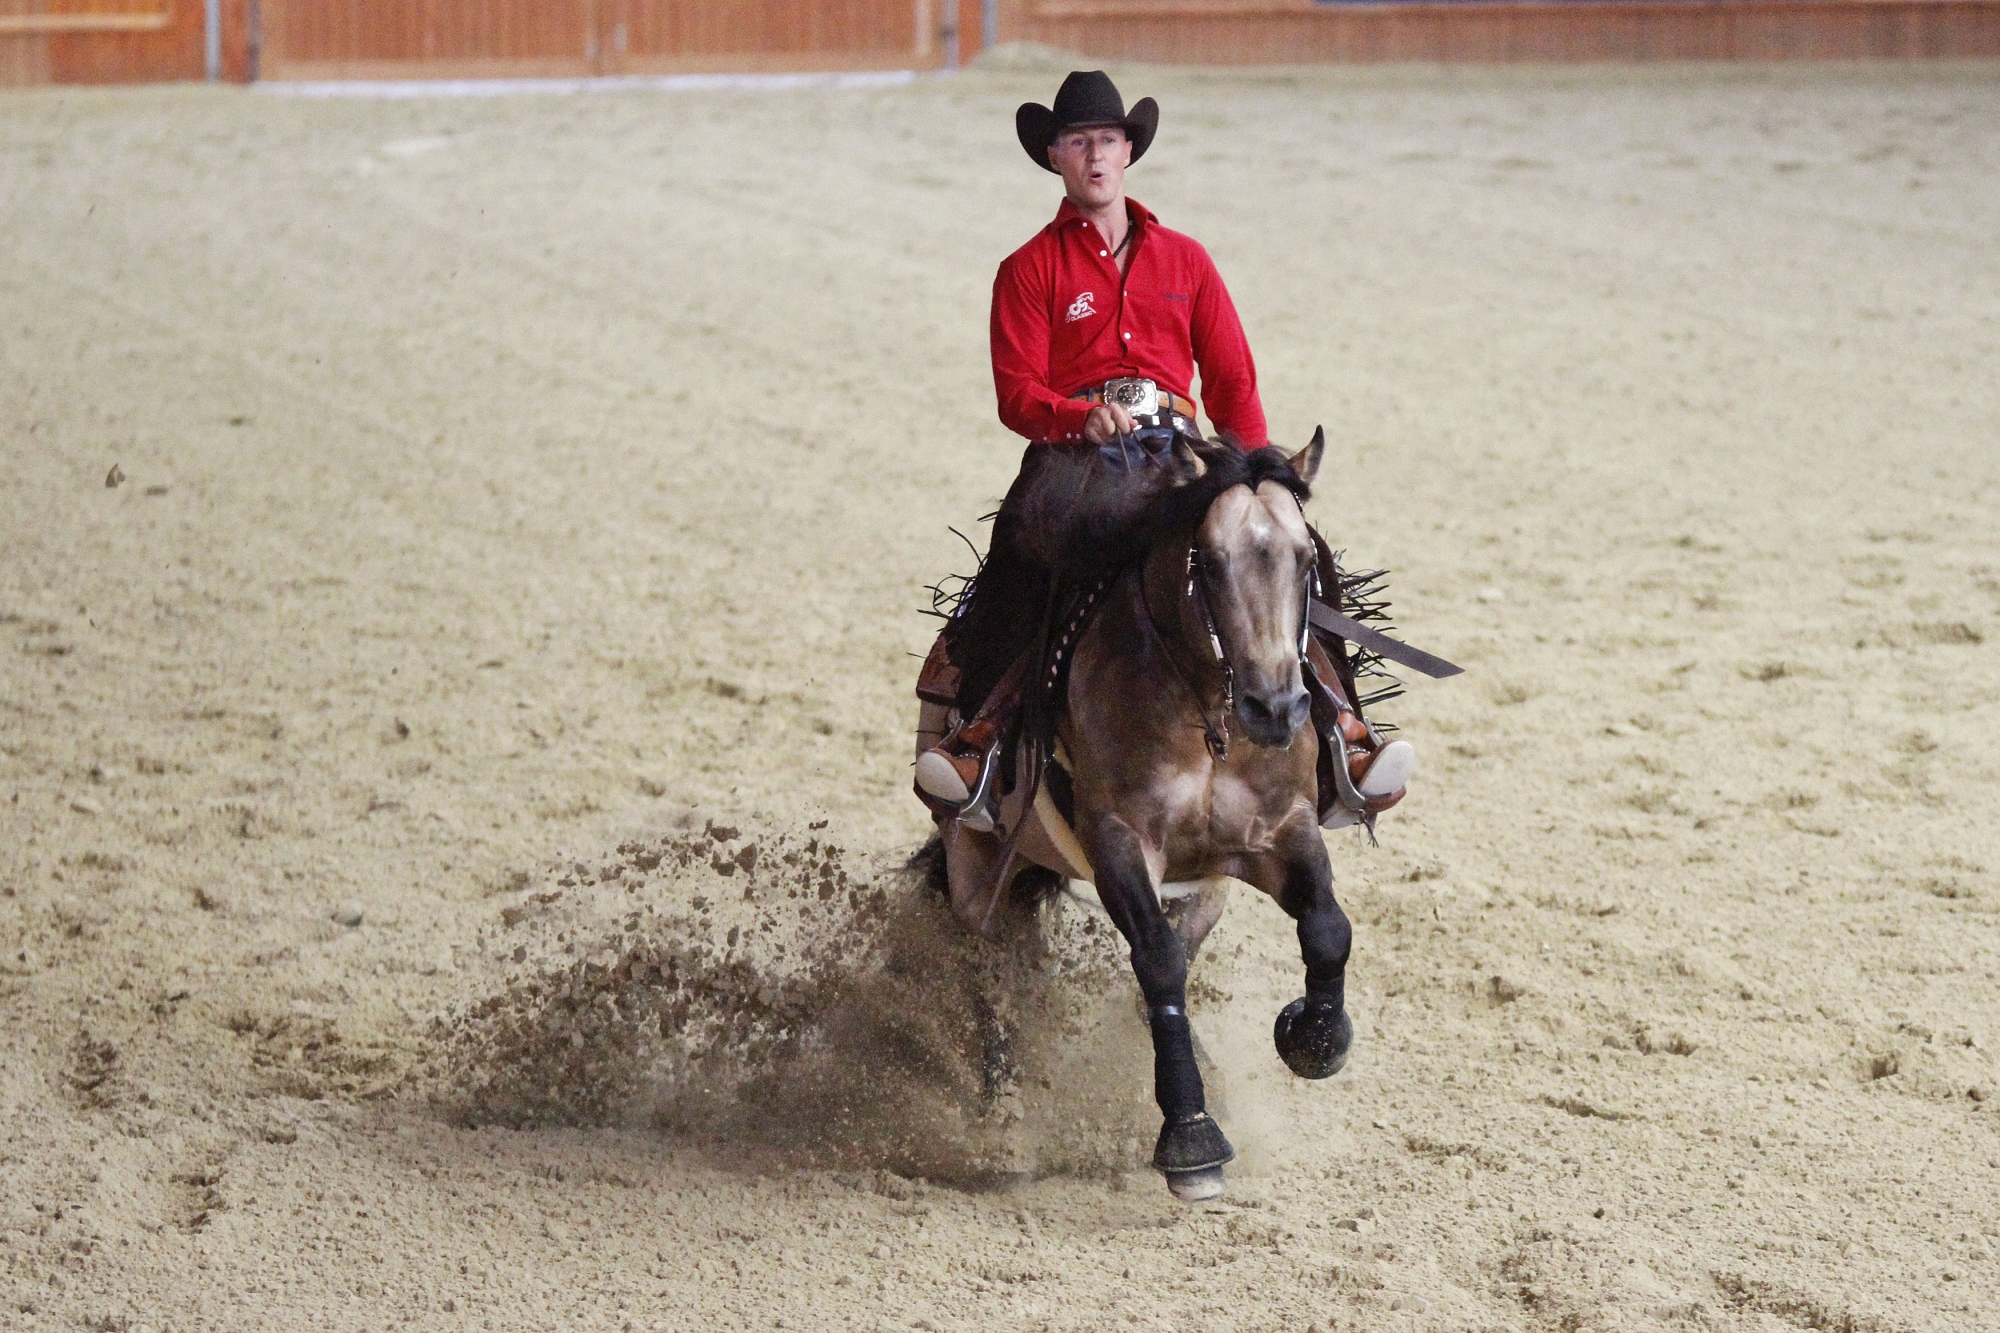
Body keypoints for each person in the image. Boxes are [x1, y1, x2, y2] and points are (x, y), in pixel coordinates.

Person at [914, 70, 1411, 830]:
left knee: (1290, 548)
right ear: (1054, 156)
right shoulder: (1027, 270)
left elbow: (1233, 381)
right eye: (1078, 143)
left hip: (1181, 451)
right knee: (1024, 545)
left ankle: (1347, 735)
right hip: (1073, 458)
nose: (1096, 156)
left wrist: (1252, 478)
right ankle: (980, 736)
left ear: (1128, 150)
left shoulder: (1186, 260)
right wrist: (1073, 417)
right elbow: (1016, 392)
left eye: (1107, 140)